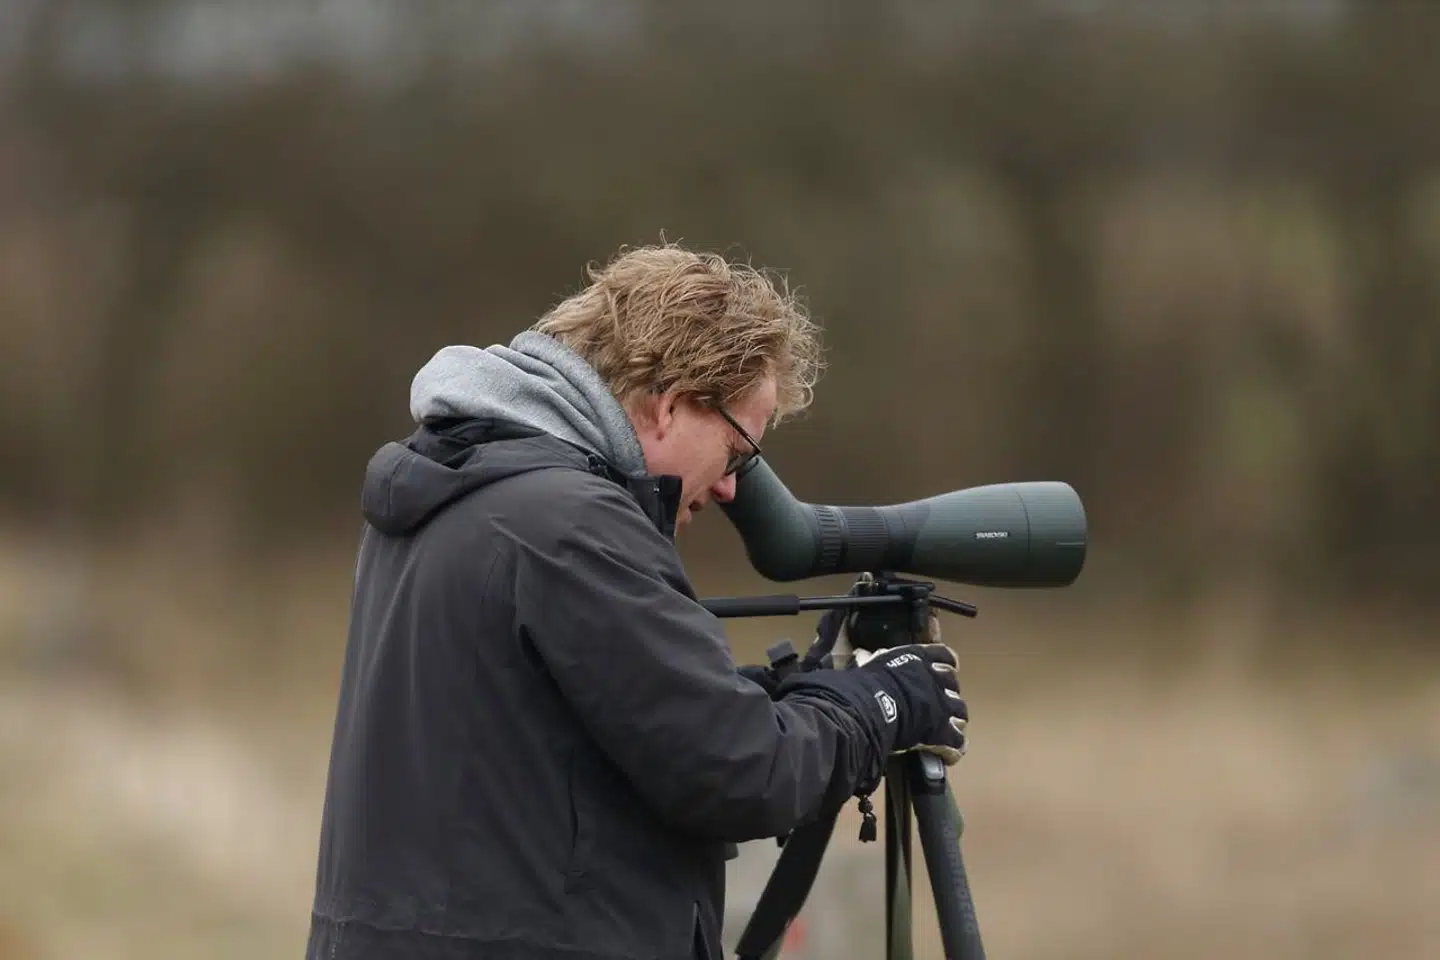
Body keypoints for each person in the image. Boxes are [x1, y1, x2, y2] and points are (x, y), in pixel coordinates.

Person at [304, 244, 970, 960]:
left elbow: (543, 738)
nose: (730, 489)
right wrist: (881, 704)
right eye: (740, 451)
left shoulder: (457, 495)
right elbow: (741, 773)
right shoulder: (569, 524)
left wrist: (765, 698)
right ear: (670, 404)